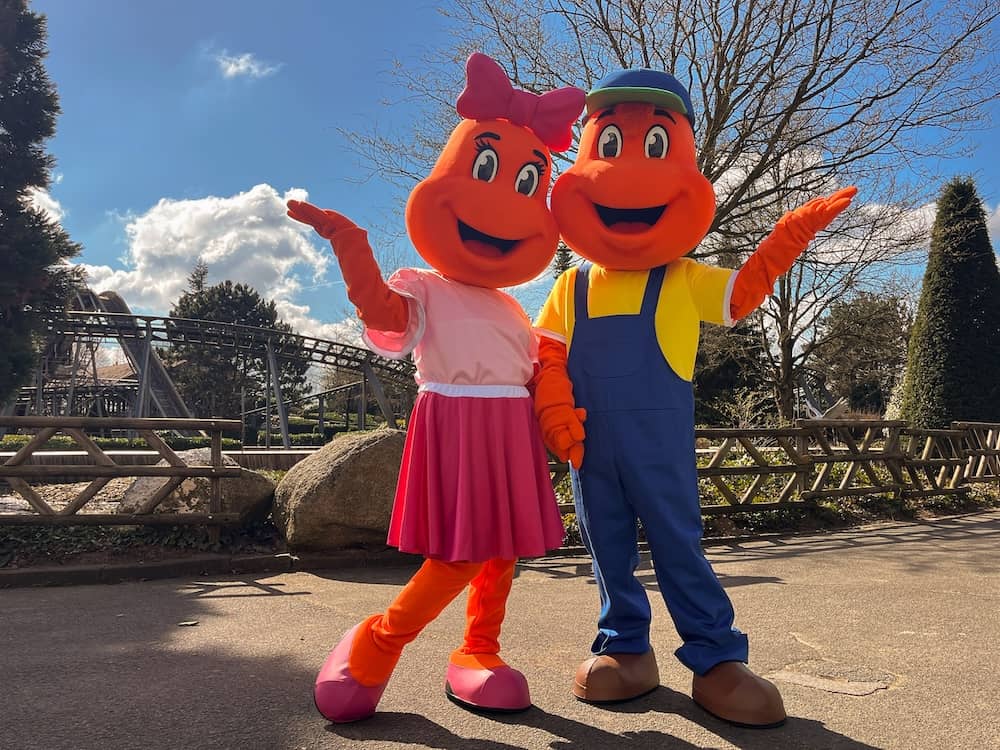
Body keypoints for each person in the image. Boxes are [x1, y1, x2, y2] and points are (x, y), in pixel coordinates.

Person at [287, 52, 584, 723]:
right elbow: (387, 321)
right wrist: (352, 246)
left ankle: (479, 651)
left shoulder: (513, 310)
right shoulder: (426, 287)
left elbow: (540, 373)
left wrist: (559, 415)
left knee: (502, 552)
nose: (504, 203)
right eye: (487, 168)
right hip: (455, 422)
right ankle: (378, 640)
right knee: (460, 555)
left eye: (526, 182)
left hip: (507, 430)